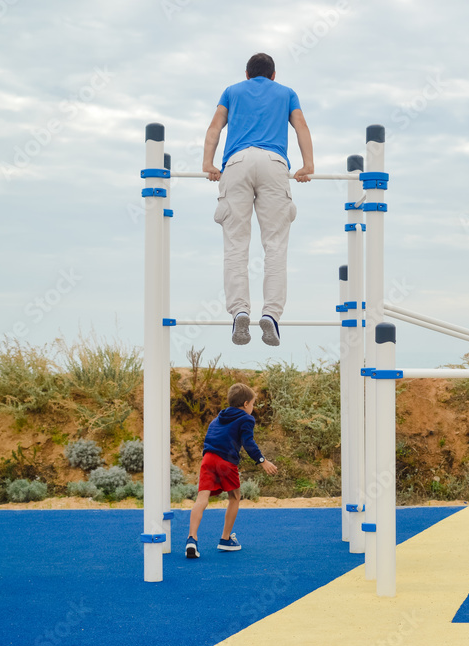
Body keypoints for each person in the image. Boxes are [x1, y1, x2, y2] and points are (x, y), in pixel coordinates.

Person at [202, 52, 315, 347]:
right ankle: (272, 316)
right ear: (273, 75)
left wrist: (208, 164)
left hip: (237, 163)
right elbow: (301, 126)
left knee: (236, 245)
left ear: (247, 74)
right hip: (275, 164)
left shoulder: (231, 91)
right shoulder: (287, 93)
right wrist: (307, 165)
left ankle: (240, 309)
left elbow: (215, 128)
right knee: (275, 246)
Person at [186, 383, 277, 559]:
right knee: (234, 497)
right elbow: (248, 443)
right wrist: (262, 461)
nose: (252, 408)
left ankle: (192, 539)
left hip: (208, 459)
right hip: (225, 462)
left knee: (201, 499)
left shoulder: (217, 419)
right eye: (252, 404)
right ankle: (226, 539)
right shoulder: (246, 419)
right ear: (245, 404)